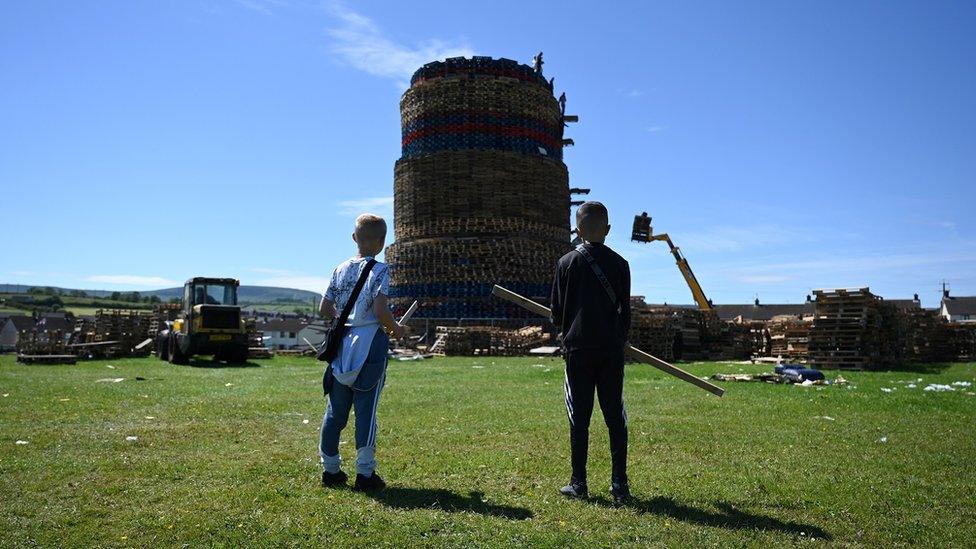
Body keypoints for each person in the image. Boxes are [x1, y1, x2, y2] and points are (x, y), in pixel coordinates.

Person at [318, 213, 408, 491]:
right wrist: (397, 329)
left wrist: (344, 320)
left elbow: (324, 309)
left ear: (354, 237)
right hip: (370, 344)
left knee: (335, 412)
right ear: (382, 241)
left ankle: (331, 470)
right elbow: (381, 311)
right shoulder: (381, 270)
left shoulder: (339, 269)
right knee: (366, 411)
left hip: (341, 343)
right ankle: (365, 474)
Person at [550, 201, 632, 504]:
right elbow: (625, 312)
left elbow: (556, 314)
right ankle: (619, 485)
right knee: (614, 416)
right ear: (608, 230)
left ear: (577, 229)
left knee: (579, 417)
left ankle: (579, 483)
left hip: (577, 350)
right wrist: (620, 338)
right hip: (610, 349)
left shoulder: (566, 263)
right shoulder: (621, 264)